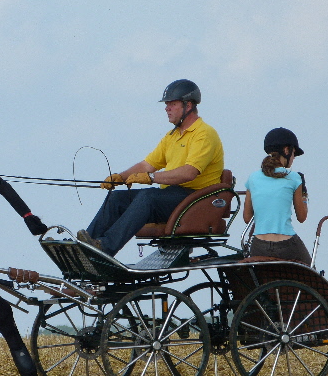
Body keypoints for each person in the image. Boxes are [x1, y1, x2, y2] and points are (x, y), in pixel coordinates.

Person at [77, 79, 225, 256]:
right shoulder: (172, 136)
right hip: (171, 197)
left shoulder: (204, 134)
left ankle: (105, 247)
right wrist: (119, 178)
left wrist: (152, 178)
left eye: (172, 104)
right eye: (166, 104)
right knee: (116, 198)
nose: (166, 108)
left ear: (189, 106)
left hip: (194, 200)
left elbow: (189, 173)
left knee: (149, 196)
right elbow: (147, 165)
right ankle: (84, 249)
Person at [243, 127, 311, 264]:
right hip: (286, 244)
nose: (293, 158)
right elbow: (302, 217)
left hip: (259, 246)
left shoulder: (253, 178)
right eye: (294, 154)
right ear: (286, 150)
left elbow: (247, 217)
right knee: (310, 270)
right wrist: (304, 195)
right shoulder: (294, 178)